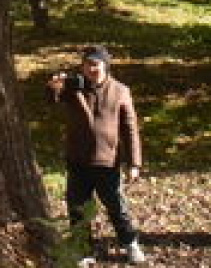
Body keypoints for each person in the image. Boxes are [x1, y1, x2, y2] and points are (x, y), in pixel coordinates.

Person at [50, 46, 147, 265]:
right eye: (87, 65)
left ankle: (130, 243)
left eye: (96, 64)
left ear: (105, 66)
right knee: (77, 208)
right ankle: (83, 250)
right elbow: (52, 98)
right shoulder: (74, 88)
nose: (91, 69)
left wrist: (134, 163)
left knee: (117, 207)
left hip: (107, 162)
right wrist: (55, 85)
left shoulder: (120, 91)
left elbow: (130, 128)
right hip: (78, 160)